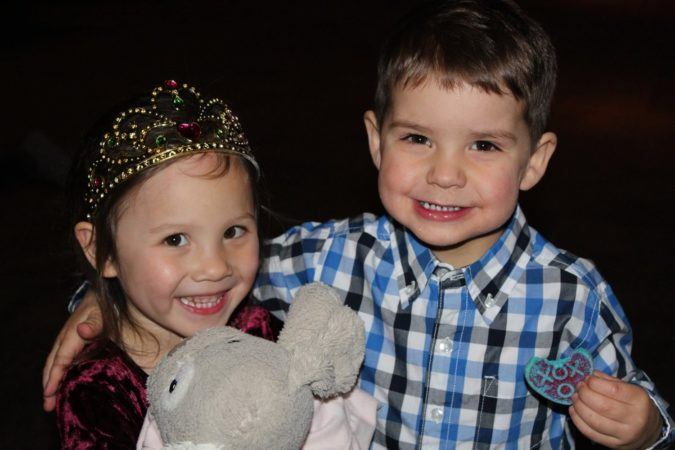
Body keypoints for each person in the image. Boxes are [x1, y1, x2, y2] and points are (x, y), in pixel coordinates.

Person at [43, 2, 674, 448]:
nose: (444, 174)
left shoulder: (571, 296)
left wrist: (645, 427)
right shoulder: (328, 257)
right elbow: (203, 275)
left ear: (533, 160)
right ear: (376, 141)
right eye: (418, 138)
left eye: (483, 146)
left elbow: (640, 396)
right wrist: (99, 306)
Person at [52, 81, 375, 448]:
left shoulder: (261, 331)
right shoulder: (98, 392)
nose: (214, 267)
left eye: (234, 231)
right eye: (175, 239)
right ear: (101, 252)